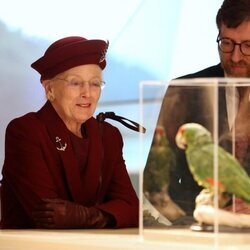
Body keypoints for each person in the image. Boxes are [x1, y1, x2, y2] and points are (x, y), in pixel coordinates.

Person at [0, 36, 139, 229]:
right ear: (50, 88)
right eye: (75, 83)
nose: (87, 93)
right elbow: (47, 214)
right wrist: (106, 215)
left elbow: (132, 208)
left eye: (95, 84)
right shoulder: (26, 131)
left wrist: (85, 217)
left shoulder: (108, 136)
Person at [144, 0, 250, 219]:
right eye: (227, 43)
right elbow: (159, 177)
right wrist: (196, 219)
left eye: (248, 46)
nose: (236, 57)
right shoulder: (185, 90)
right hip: (198, 227)